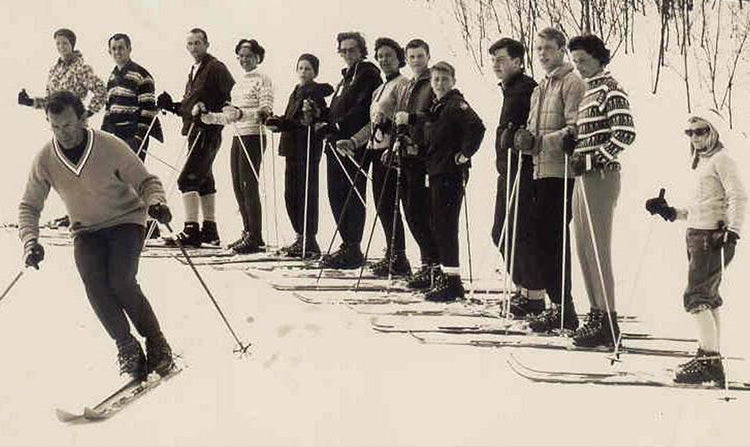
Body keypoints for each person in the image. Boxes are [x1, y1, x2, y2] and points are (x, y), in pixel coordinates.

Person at [18, 91, 176, 381]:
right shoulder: (45, 159)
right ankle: (126, 346)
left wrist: (156, 202)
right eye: (55, 126)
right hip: (86, 230)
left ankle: (156, 342)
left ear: (82, 118)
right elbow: (29, 205)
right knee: (94, 282)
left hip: (125, 220)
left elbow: (146, 181)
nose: (62, 133)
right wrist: (31, 241)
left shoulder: (109, 146)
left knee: (121, 279)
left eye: (68, 125)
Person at [645, 110, 746, 385]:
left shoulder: (722, 159)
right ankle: (709, 356)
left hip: (711, 238)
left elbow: (738, 196)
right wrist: (671, 212)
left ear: (714, 130)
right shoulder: (703, 161)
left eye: (701, 131)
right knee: (707, 297)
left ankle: (709, 361)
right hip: (697, 234)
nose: (695, 137)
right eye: (690, 132)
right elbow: (703, 207)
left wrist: (733, 232)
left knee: (696, 297)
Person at [565, 34, 636, 345]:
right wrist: (575, 145)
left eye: (583, 60)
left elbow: (625, 133)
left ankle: (608, 317)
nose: (579, 66)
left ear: (598, 58)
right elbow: (594, 133)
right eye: (575, 61)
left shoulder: (611, 88)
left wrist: (594, 158)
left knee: (597, 248)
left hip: (601, 177)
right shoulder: (588, 90)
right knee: (583, 247)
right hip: (584, 175)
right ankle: (595, 313)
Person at [512, 27, 585, 327]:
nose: (542, 54)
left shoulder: (571, 82)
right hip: (540, 170)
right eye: (539, 48)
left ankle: (563, 308)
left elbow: (574, 128)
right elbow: (534, 129)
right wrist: (524, 138)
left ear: (561, 51)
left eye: (548, 48)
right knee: (542, 239)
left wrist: (541, 142)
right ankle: (558, 305)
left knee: (553, 240)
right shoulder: (540, 87)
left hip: (561, 172)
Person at [17, 28, 107, 230]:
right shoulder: (54, 70)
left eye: (65, 43)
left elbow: (101, 91)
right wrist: (30, 101)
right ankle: (74, 212)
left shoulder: (82, 68)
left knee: (80, 167)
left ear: (72, 45)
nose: (61, 47)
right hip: (57, 127)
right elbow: (50, 101)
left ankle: (89, 212)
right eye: (58, 43)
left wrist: (86, 113)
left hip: (75, 127)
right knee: (64, 170)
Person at [338, 37, 410, 277]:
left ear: (399, 57)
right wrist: (353, 141)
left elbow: (403, 117)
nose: (384, 60)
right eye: (380, 56)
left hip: (392, 152)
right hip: (376, 151)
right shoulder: (379, 89)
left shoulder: (403, 84)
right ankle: (393, 253)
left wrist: (393, 133)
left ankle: (399, 256)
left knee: (390, 205)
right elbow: (372, 125)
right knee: (382, 205)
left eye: (389, 55)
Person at [157, 28, 235, 247]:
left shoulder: (216, 67)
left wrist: (212, 111)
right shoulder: (195, 69)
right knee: (204, 180)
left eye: (198, 43)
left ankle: (191, 230)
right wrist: (172, 106)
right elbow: (190, 104)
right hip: (194, 131)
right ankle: (209, 230)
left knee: (188, 179)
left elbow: (231, 95)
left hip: (207, 131)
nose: (194, 48)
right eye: (190, 44)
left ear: (207, 44)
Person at [415, 61, 485, 302]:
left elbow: (477, 127)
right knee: (439, 224)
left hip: (450, 173)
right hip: (437, 170)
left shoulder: (456, 104)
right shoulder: (439, 106)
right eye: (436, 79)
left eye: (445, 79)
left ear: (453, 81)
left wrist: (465, 154)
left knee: (446, 225)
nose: (440, 83)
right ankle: (447, 276)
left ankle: (453, 282)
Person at [200, 39, 273, 254]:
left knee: (248, 184)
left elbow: (265, 110)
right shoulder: (238, 83)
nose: (244, 60)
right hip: (238, 135)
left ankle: (256, 236)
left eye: (248, 56)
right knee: (237, 184)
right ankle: (247, 231)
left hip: (253, 135)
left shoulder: (263, 79)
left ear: (258, 57)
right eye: (240, 56)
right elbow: (231, 116)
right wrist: (210, 118)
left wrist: (241, 114)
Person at [487, 37, 544, 315]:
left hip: (523, 170)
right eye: (493, 60)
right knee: (502, 232)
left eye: (501, 60)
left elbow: (533, 127)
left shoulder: (526, 89)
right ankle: (524, 290)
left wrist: (519, 138)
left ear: (518, 62)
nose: (496, 65)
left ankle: (533, 295)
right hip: (508, 170)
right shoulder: (511, 89)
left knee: (517, 232)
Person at [318, 32, 382, 269]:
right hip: (336, 144)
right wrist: (321, 116)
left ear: (361, 51)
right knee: (336, 193)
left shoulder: (367, 73)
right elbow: (337, 108)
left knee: (350, 195)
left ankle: (353, 247)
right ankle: (347, 243)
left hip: (353, 144)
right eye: (343, 50)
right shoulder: (346, 77)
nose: (347, 54)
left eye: (352, 50)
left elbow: (363, 108)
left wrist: (337, 126)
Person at [266, 54, 333, 258]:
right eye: (301, 68)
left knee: (305, 193)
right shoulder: (296, 91)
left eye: (308, 69)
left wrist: (283, 124)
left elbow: (309, 121)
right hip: (292, 148)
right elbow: (292, 118)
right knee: (291, 194)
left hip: (306, 148)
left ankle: (309, 239)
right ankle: (300, 236)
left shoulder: (314, 93)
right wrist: (277, 121)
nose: (304, 72)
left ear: (315, 73)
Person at [389, 39, 441, 289]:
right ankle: (426, 263)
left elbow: (434, 117)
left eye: (420, 56)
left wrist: (414, 127)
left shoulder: (433, 82)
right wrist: (395, 143)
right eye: (411, 57)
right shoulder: (409, 84)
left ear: (428, 57)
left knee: (422, 212)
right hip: (407, 154)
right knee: (411, 210)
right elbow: (399, 118)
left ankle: (434, 265)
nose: (416, 61)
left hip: (423, 156)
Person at [101, 33, 164, 239]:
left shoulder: (141, 75)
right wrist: (102, 136)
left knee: (134, 179)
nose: (117, 52)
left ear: (129, 49)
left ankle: (149, 224)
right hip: (115, 135)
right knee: (116, 179)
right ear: (109, 51)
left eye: (121, 47)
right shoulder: (112, 77)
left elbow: (148, 109)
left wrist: (139, 137)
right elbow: (109, 108)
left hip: (134, 134)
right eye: (114, 48)